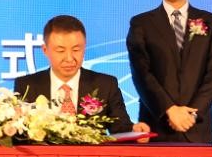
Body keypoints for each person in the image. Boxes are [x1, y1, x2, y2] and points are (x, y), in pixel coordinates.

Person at [126, 0, 212, 143]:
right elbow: (141, 73)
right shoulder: (141, 23)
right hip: (156, 125)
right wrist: (169, 110)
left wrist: (192, 114)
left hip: (196, 127)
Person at [14, 15, 150, 136]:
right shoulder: (27, 86)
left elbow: (120, 128)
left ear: (84, 48)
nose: (69, 58)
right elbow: (19, 133)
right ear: (45, 50)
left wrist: (134, 130)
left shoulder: (105, 84)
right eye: (60, 51)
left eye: (76, 49)